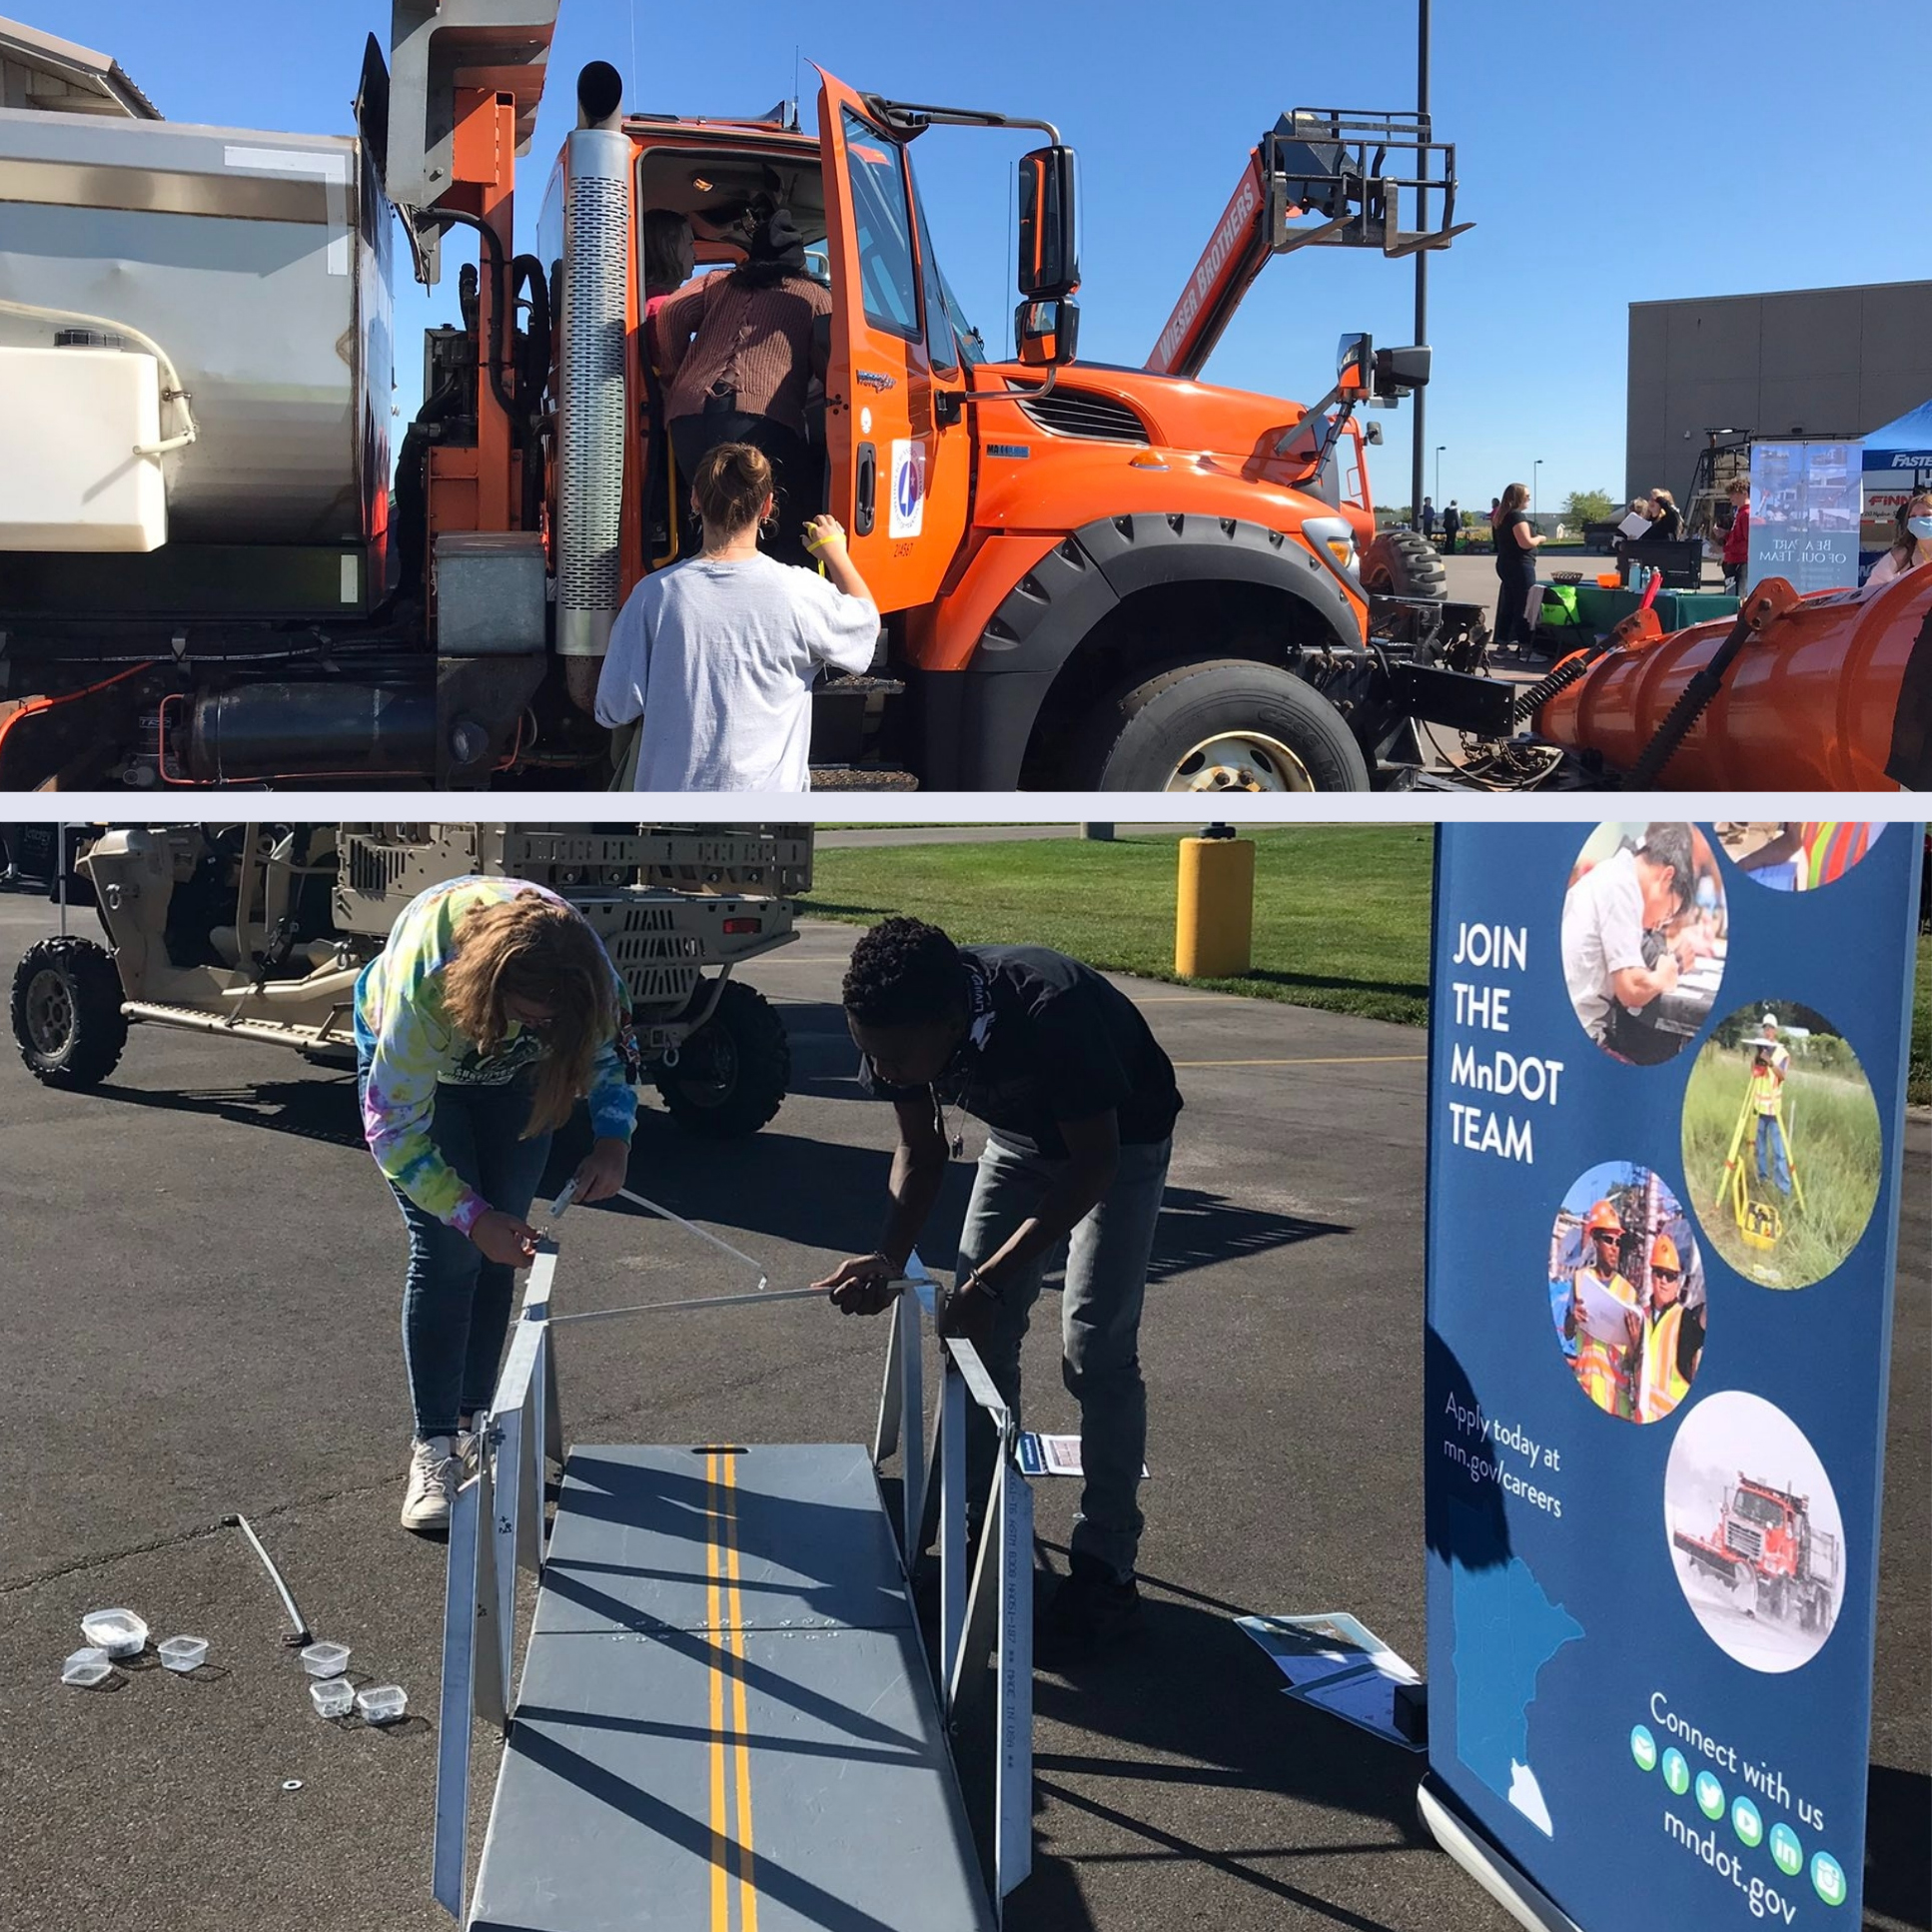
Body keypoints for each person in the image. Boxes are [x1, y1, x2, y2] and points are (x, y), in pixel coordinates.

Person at [814, 916, 1182, 1655]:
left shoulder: (1052, 1009)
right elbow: (919, 1150)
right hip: (1019, 1141)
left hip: (1119, 1142)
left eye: (892, 1058)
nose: (881, 1071)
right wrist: (889, 1257)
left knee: (1095, 1347)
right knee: (974, 1348)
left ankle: (1107, 1571)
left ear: (952, 1023)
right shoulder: (896, 1026)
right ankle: (978, 1541)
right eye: (868, 1052)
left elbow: (1091, 1167)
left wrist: (985, 1281)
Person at [356, 877, 637, 1531]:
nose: (544, 1029)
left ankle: (476, 1425)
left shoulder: (585, 973)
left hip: (511, 1082)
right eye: (534, 1017)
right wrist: (470, 1216)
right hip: (427, 1082)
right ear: (491, 985)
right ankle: (433, 1446)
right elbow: (394, 1129)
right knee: (452, 1248)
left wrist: (613, 1139)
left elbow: (613, 1055)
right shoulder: (425, 982)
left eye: (553, 1024)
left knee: (503, 1251)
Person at [595, 442, 879, 790]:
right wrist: (834, 552)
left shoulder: (654, 595)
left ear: (695, 500)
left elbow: (613, 708)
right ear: (768, 505)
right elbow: (865, 628)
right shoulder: (801, 593)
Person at [653, 205, 830, 565]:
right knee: (794, 516)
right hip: (761, 421)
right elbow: (831, 363)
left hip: (687, 418)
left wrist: (675, 377)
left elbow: (671, 312)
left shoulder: (720, 281)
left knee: (711, 518)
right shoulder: (812, 297)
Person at [1561, 823, 1707, 1061]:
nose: (1659, 924)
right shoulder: (1624, 886)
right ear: (1666, 876)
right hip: (1581, 1038)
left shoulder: (1618, 872)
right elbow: (1631, 990)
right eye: (1668, 912)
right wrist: (1663, 978)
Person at [1564, 1201, 1638, 1419]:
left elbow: (1632, 1360)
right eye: (1608, 1240)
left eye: (1618, 1241)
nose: (1615, 1246)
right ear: (1595, 1241)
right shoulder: (1580, 1279)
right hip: (1584, 1391)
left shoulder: (1628, 1293)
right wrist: (1573, 1318)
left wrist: (1635, 1342)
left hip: (1615, 1403)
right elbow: (1568, 1332)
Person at [1633, 1232, 1699, 1425]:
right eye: (1659, 1273)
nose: (1663, 1280)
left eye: (1669, 1276)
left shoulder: (1685, 1319)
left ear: (1677, 1282)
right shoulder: (1639, 1315)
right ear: (1652, 1275)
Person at [1491, 482, 1544, 654]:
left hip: (1505, 564)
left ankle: (1503, 643)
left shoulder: (1502, 516)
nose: (1529, 498)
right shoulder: (1516, 517)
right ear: (1517, 498)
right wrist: (1540, 539)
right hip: (1520, 565)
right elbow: (1525, 543)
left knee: (1509, 602)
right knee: (1526, 604)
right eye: (1527, 496)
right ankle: (1526, 647)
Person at [1747, 1018, 1793, 1197]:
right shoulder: (1761, 1048)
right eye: (1765, 1028)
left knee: (1779, 1152)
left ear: (1775, 1030)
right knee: (1760, 1149)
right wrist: (1758, 1058)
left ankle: (1783, 1190)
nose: (1767, 1032)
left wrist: (1770, 1061)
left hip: (1773, 1112)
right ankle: (1762, 1180)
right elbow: (1754, 1072)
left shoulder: (1783, 1053)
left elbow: (1782, 1076)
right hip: (1759, 1109)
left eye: (1770, 1028)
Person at [1868, 489, 1932, 585]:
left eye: (1926, 515)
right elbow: (1871, 591)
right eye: (1913, 516)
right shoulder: (1900, 556)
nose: (1918, 520)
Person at [1721, 479, 1751, 595]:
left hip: (1740, 562)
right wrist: (1725, 534)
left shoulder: (1746, 514)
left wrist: (1724, 549)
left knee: (1737, 596)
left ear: (1744, 493)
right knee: (1731, 594)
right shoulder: (1740, 512)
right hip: (1733, 561)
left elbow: (1748, 543)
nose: (1730, 497)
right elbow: (1738, 537)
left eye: (1734, 494)